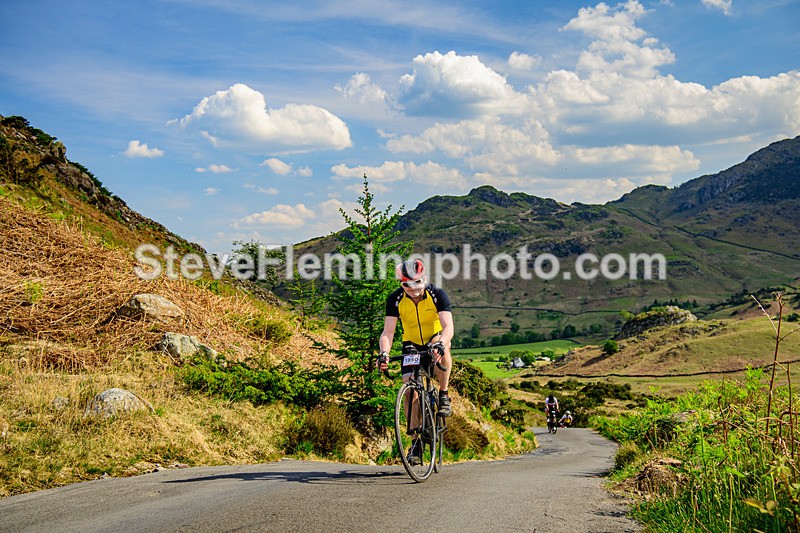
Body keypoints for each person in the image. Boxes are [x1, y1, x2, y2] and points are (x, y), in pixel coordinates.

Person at [376, 259, 454, 465]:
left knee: (443, 350)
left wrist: (441, 344)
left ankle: (444, 394)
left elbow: (448, 328)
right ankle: (416, 443)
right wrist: (384, 353)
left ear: (425, 279)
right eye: (406, 284)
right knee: (410, 389)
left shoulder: (437, 294)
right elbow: (388, 332)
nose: (413, 289)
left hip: (435, 338)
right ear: (401, 284)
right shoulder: (395, 299)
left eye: (417, 282)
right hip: (410, 344)